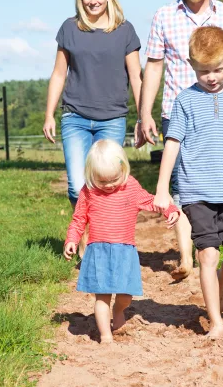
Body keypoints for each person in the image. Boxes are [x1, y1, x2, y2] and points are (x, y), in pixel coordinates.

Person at [138, 0, 223, 280]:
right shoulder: (164, 16)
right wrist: (144, 112)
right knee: (183, 183)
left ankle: (209, 246)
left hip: (221, 113)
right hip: (177, 111)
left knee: (216, 179)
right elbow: (154, 66)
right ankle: (187, 257)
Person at [153, 27, 223, 339]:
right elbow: (173, 144)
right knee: (208, 254)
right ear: (192, 66)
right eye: (204, 71)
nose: (212, 77)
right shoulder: (185, 101)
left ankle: (221, 283)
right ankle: (215, 321)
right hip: (196, 192)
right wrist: (163, 188)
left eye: (218, 69)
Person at [43, 0, 143, 209]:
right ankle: (84, 241)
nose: (93, 1)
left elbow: (137, 78)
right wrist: (49, 114)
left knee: (107, 183)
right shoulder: (69, 28)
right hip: (74, 118)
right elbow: (59, 73)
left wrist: (142, 117)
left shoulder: (125, 30)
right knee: (77, 186)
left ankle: (103, 237)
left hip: (112, 119)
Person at [64, 139, 180, 343]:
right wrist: (72, 239)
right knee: (102, 297)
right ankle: (106, 336)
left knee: (126, 295)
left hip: (125, 251)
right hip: (98, 251)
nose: (108, 185)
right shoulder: (88, 191)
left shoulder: (131, 186)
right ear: (92, 175)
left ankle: (119, 311)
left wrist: (169, 209)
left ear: (123, 170)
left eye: (114, 180)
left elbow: (151, 201)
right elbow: (79, 218)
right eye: (102, 181)